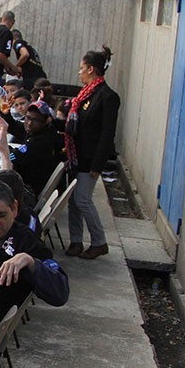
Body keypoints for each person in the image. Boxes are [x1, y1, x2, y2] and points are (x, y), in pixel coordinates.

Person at [0, 180, 69, 325]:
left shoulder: (26, 242)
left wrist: (31, 262)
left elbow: (60, 293)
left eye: (1, 215)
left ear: (15, 209)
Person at [61, 45, 120, 260]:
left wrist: (98, 164)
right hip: (76, 156)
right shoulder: (84, 95)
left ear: (91, 69)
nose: (79, 72)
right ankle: (76, 241)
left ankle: (99, 241)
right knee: (73, 200)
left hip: (90, 159)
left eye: (82, 68)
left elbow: (107, 134)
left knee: (83, 198)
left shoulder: (107, 97)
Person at [0, 100, 62, 198]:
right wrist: (5, 114)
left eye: (36, 120)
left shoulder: (42, 141)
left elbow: (12, 157)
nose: (29, 123)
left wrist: (3, 146)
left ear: (46, 121)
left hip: (28, 191)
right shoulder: (39, 130)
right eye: (27, 118)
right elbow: (14, 127)